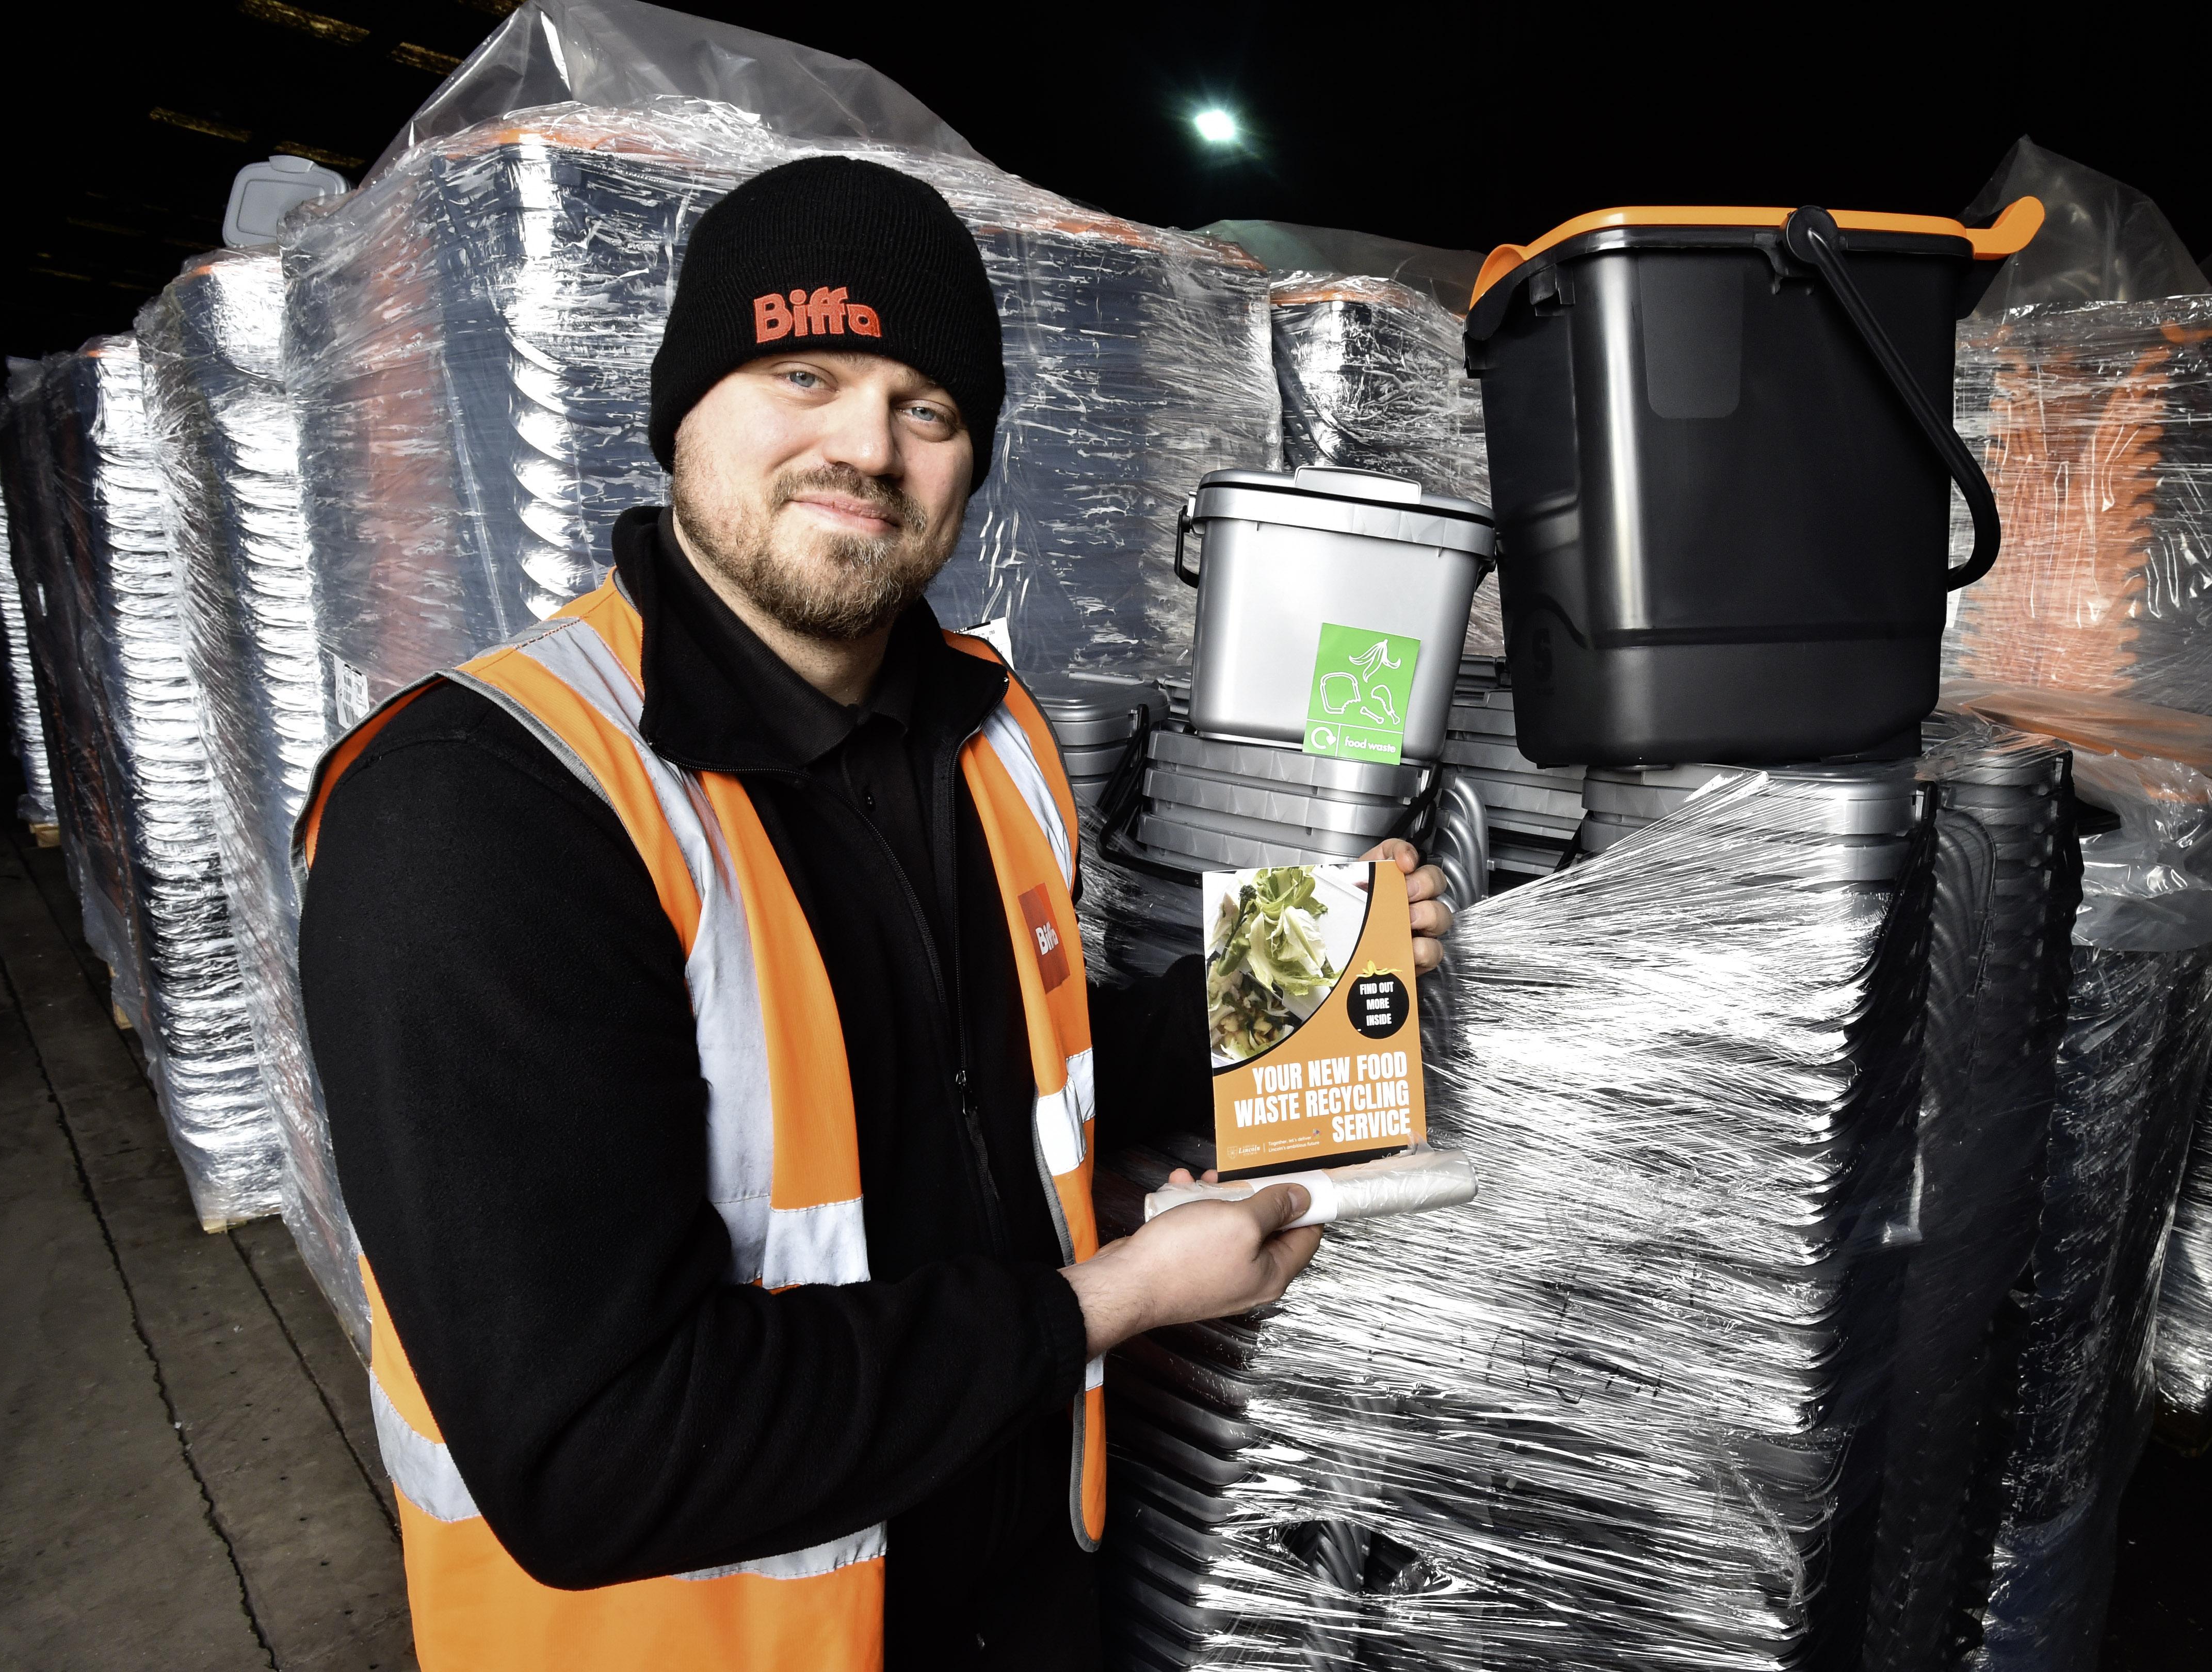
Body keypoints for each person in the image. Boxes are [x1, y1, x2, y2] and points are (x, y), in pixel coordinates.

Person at [298, 155, 1452, 1671]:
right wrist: (1111, 1300)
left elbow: (1003, 1072)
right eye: (805, 375)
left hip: (1022, 1593)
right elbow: (598, 1450)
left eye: (928, 409)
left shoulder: (986, 733)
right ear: (682, 413)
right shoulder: (483, 806)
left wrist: (1298, 974)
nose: (868, 448)